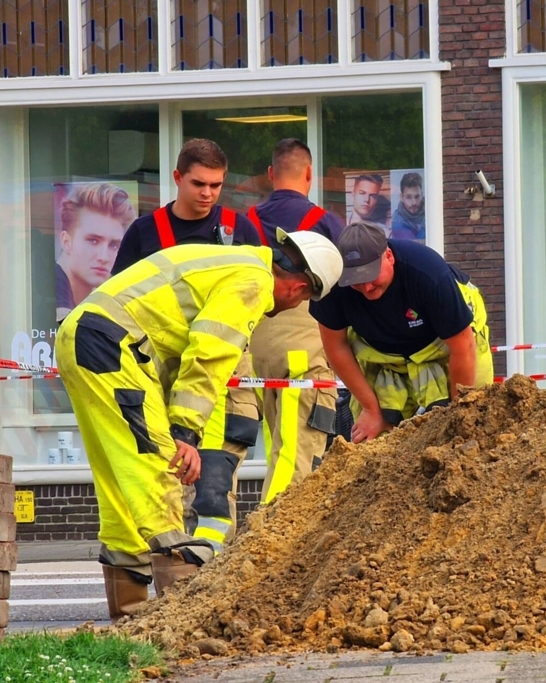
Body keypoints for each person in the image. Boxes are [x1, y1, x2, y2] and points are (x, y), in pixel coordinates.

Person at [56, 232, 342, 622]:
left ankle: (128, 615)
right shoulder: (253, 282)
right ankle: (181, 619)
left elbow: (175, 349)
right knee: (158, 468)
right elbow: (209, 355)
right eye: (303, 300)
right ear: (300, 287)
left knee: (119, 479)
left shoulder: (233, 263)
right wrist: (184, 433)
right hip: (113, 346)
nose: (296, 305)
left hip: (84, 337)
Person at [111, 138, 263, 557]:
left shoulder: (239, 231)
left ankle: (211, 564)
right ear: (177, 178)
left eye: (216, 185)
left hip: (226, 368)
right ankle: (175, 567)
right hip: (164, 368)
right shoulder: (145, 233)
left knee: (217, 478)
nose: (208, 194)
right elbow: (118, 299)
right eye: (199, 184)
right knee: (168, 469)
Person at [311, 221, 493, 443]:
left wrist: (458, 415)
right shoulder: (334, 285)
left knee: (473, 425)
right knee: (374, 442)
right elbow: (336, 347)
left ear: (389, 256)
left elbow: (462, 347)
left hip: (447, 345)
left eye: (370, 276)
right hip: (384, 357)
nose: (366, 288)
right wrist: (371, 409)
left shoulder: (428, 274)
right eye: (356, 282)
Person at [243, 139, 345, 504]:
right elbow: (346, 288)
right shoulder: (325, 223)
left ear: (271, 174)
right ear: (310, 173)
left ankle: (266, 522)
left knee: (277, 445)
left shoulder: (245, 222)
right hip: (304, 350)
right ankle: (274, 527)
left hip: (256, 348)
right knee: (297, 452)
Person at [56, 183, 137, 321]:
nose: (103, 257)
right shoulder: (51, 295)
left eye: (114, 245)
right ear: (66, 242)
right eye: (93, 241)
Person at [390, 172, 426, 240]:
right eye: (408, 197)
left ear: (422, 195)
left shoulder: (430, 208)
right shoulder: (397, 222)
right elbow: (414, 245)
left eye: (417, 196)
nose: (414, 202)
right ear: (401, 197)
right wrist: (428, 220)